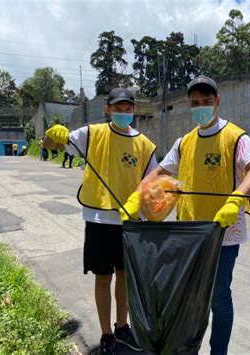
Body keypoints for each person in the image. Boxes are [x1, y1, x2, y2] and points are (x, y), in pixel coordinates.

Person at [122, 75, 250, 355]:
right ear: (188, 106)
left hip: (221, 233)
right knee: (188, 298)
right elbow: (158, 172)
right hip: (188, 233)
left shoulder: (235, 137)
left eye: (206, 101)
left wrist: (236, 200)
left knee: (218, 299)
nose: (200, 107)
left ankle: (218, 352)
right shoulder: (184, 142)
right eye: (194, 103)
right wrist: (136, 196)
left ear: (217, 102)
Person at [45, 87, 157, 354]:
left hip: (130, 221)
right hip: (98, 219)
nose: (123, 112)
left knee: (125, 279)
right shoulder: (91, 134)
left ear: (134, 110)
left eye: (128, 108)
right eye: (118, 108)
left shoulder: (145, 144)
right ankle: (106, 334)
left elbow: (153, 183)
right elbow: (50, 145)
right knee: (103, 278)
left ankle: (122, 327)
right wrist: (53, 134)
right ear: (107, 108)